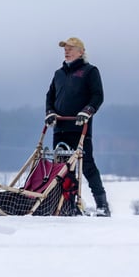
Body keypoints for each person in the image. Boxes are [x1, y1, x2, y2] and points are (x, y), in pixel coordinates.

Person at [44, 37, 109, 216]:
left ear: (81, 52)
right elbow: (50, 96)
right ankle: (66, 204)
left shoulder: (90, 71)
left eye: (71, 48)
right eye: (65, 48)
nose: (67, 51)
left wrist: (87, 111)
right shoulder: (58, 73)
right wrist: (49, 112)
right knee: (62, 168)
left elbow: (97, 95)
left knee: (87, 165)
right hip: (60, 127)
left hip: (80, 127)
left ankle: (102, 205)